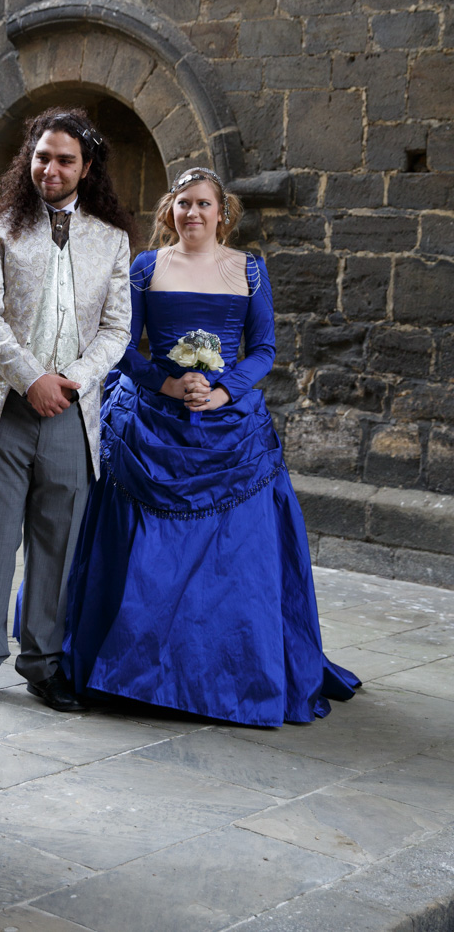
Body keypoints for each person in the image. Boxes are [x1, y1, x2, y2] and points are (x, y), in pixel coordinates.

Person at [64, 166, 359, 726]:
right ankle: (129, 669)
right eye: (182, 204)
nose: (192, 213)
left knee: (233, 557)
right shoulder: (147, 267)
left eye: (202, 204)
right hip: (152, 420)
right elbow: (120, 343)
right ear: (169, 212)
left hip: (229, 422)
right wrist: (166, 382)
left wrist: (223, 392)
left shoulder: (248, 269)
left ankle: (230, 674)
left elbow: (265, 348)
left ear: (222, 211)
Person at [0, 109, 134, 711]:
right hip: (5, 407)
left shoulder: (112, 238)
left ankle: (43, 662)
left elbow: (117, 328)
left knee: (58, 542)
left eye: (65, 160)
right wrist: (31, 380)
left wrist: (70, 382)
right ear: (29, 159)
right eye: (42, 156)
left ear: (86, 168)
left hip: (71, 415)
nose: (50, 169)